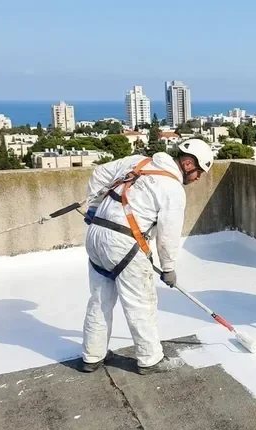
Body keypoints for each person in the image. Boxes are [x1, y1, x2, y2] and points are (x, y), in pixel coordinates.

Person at [79, 139, 213, 374]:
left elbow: (99, 173)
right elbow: (168, 234)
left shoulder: (138, 162)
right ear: (188, 164)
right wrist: (168, 267)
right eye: (199, 172)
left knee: (99, 299)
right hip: (123, 244)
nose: (198, 178)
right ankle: (150, 359)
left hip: (96, 234)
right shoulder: (173, 189)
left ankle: (92, 356)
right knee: (141, 302)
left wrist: (94, 207)